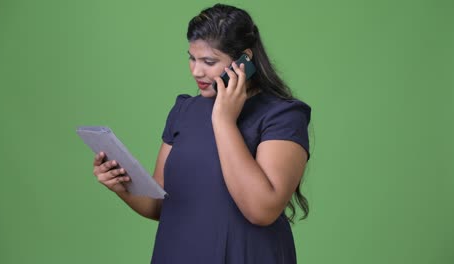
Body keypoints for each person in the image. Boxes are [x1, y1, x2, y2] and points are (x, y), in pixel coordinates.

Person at [92, 3, 311, 263]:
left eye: (209, 61)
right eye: (192, 58)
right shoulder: (184, 109)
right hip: (177, 253)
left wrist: (223, 120)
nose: (196, 71)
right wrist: (122, 187)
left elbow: (261, 210)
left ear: (245, 60)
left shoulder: (283, 115)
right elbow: (159, 205)